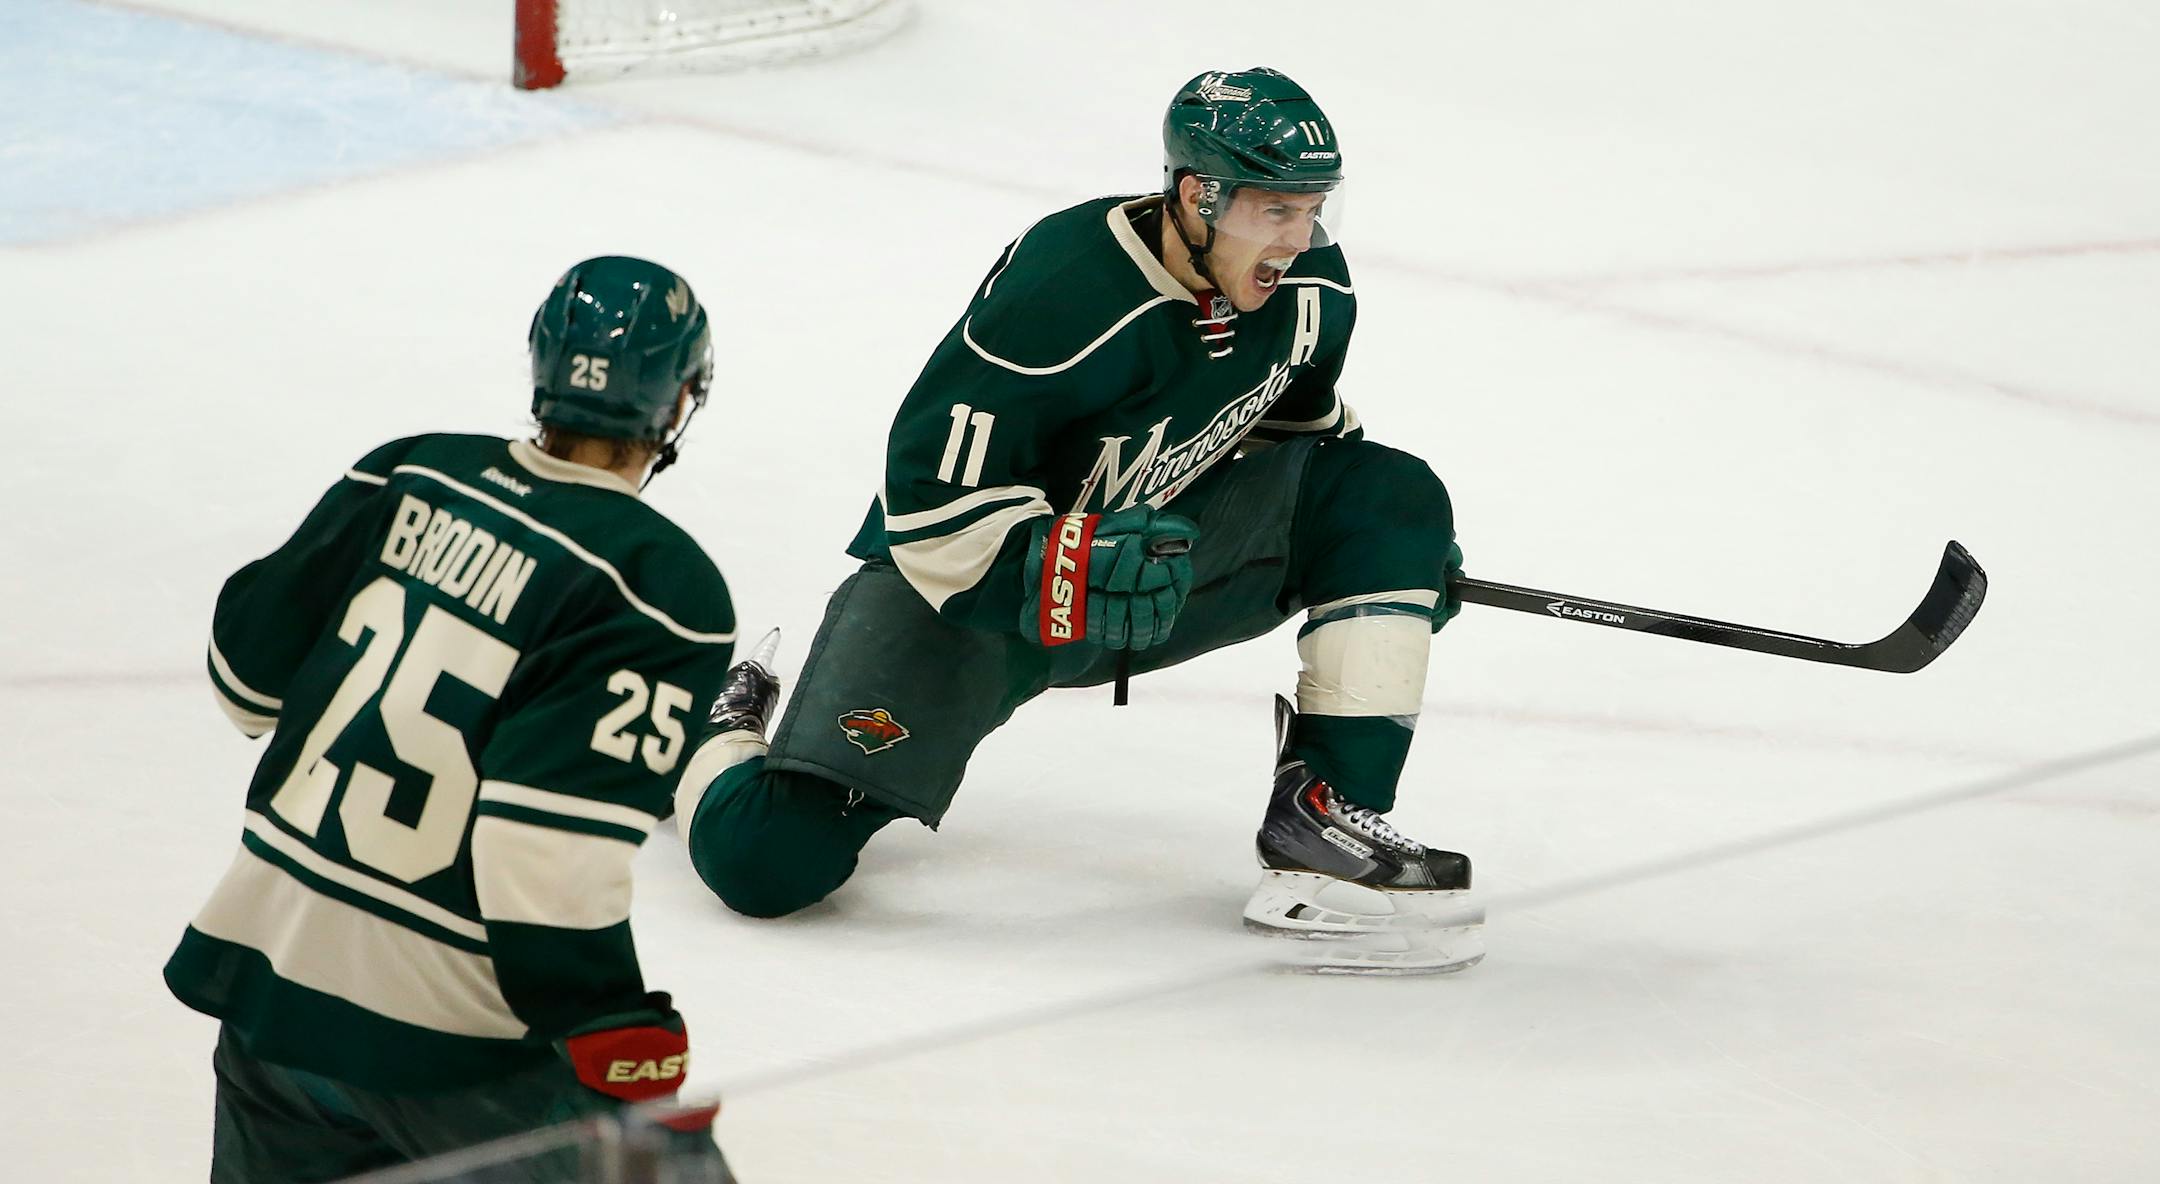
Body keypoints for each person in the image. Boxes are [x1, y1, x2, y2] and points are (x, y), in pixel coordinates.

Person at [678, 67, 1480, 973]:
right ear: (1196, 197)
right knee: (766, 862)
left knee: (1391, 494)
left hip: (1160, 570)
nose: (1300, 240)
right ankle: (711, 733)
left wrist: (1389, 566)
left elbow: (1309, 446)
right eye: (1273, 212)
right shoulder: (1064, 288)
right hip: (974, 594)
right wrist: (1065, 563)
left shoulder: (1312, 286)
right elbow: (930, 505)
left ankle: (1321, 835)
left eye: (1312, 210)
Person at [165, 257, 740, 1181]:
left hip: (273, 997)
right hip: (448, 1038)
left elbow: (243, 682)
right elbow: (539, 862)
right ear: (678, 403)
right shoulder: (657, 586)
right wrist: (611, 1026)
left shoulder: (407, 469)